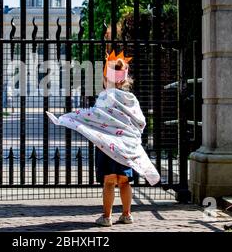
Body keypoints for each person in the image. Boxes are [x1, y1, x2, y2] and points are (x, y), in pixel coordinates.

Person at [46, 50, 160, 227]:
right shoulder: (132, 99)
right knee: (124, 182)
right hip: (126, 148)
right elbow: (141, 121)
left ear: (106, 79)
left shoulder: (105, 97)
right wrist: (133, 137)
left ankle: (106, 217)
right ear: (125, 80)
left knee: (109, 181)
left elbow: (93, 116)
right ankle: (127, 214)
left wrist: (67, 118)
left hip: (107, 147)